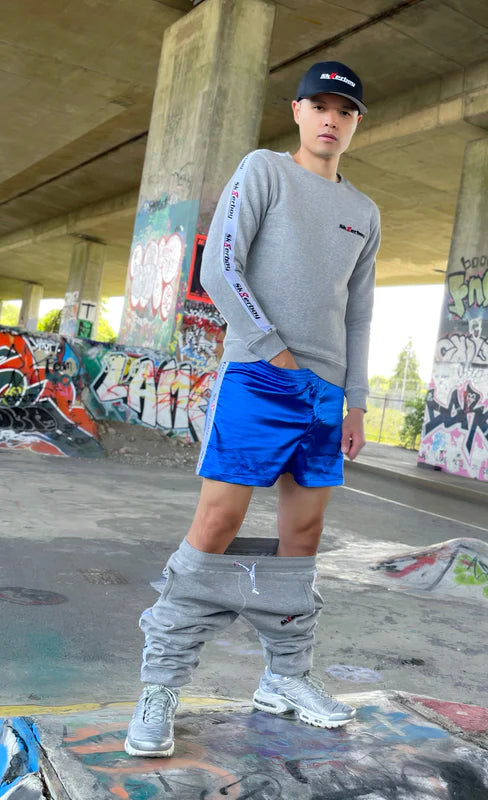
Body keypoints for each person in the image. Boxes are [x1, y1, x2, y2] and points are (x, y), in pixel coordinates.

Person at [125, 60, 381, 757]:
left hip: (324, 397)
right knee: (218, 523)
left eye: (346, 110)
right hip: (258, 378)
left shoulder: (364, 212)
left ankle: (285, 677)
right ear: (297, 111)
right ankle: (160, 687)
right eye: (320, 105)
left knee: (302, 538)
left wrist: (353, 402)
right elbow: (218, 268)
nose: (331, 118)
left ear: (357, 123)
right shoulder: (265, 170)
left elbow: (357, 313)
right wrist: (273, 352)